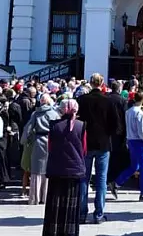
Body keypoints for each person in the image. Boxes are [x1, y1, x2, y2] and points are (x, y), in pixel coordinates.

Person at [76, 73, 120, 224]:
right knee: (101, 179)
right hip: (103, 143)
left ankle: (82, 213)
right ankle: (99, 214)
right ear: (102, 83)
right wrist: (108, 133)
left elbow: (77, 121)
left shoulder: (82, 100)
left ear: (90, 83)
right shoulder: (107, 101)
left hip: (86, 142)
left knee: (83, 178)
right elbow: (116, 124)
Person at [42, 99, 87, 236]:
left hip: (56, 169)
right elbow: (84, 150)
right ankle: (69, 232)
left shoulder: (54, 126)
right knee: (71, 207)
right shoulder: (82, 126)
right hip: (75, 169)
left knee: (55, 205)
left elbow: (49, 147)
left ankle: (53, 231)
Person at [110, 90, 143, 201]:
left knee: (135, 166)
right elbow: (141, 131)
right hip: (139, 141)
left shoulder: (128, 111)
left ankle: (117, 182)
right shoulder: (140, 113)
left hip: (130, 140)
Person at [23, 93, 61, 205]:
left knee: (36, 170)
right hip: (51, 141)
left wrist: (25, 141)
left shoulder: (36, 114)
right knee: (48, 169)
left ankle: (35, 198)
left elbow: (28, 128)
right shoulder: (55, 114)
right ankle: (46, 197)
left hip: (38, 140)